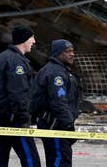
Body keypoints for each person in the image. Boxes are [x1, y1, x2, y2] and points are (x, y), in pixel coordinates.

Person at [0, 25, 41, 167]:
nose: (34, 41)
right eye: (31, 37)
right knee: (31, 158)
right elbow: (18, 92)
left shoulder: (2, 58)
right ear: (24, 39)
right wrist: (24, 118)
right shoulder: (16, 62)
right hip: (13, 119)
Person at [30, 39, 81, 167]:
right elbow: (59, 102)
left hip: (56, 123)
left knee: (57, 159)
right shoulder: (56, 73)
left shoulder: (61, 70)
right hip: (55, 125)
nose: (72, 54)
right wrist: (68, 125)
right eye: (67, 51)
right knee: (60, 161)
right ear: (58, 53)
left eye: (72, 51)